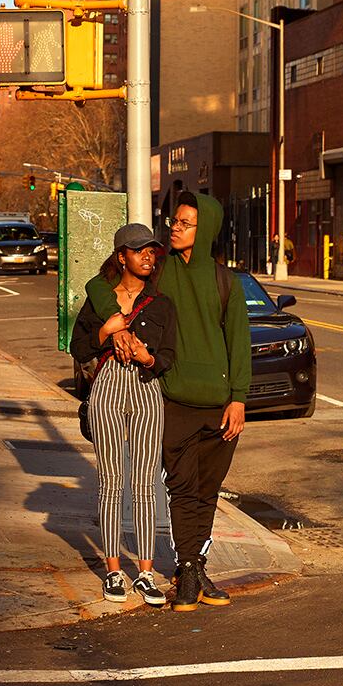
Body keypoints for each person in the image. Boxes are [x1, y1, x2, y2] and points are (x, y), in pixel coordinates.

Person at [89, 190, 248, 608]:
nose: (174, 228)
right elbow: (99, 283)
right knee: (181, 489)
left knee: (208, 491)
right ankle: (191, 570)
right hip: (174, 399)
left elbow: (239, 343)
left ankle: (192, 569)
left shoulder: (225, 281)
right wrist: (117, 326)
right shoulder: (158, 272)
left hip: (219, 405)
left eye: (184, 223)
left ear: (206, 229)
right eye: (174, 221)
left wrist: (239, 399)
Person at [72, 222, 176, 606]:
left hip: (147, 388)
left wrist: (149, 357)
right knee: (112, 480)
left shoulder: (161, 303)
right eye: (138, 250)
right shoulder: (101, 301)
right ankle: (114, 570)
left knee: (146, 482)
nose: (147, 256)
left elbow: (169, 355)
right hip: (109, 388)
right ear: (121, 256)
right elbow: (78, 347)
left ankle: (146, 573)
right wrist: (105, 333)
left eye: (151, 250)